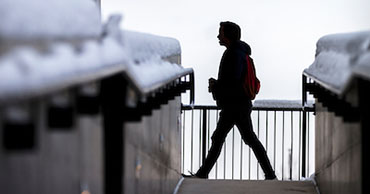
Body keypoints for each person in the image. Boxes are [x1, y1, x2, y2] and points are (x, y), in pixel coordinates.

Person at [185, 21, 276, 180]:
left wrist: (216, 86)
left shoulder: (233, 53)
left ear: (228, 35)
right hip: (239, 104)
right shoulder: (239, 52)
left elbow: (232, 81)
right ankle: (270, 174)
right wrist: (218, 85)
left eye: (221, 32)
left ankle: (203, 174)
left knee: (224, 138)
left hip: (235, 105)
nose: (218, 35)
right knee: (242, 138)